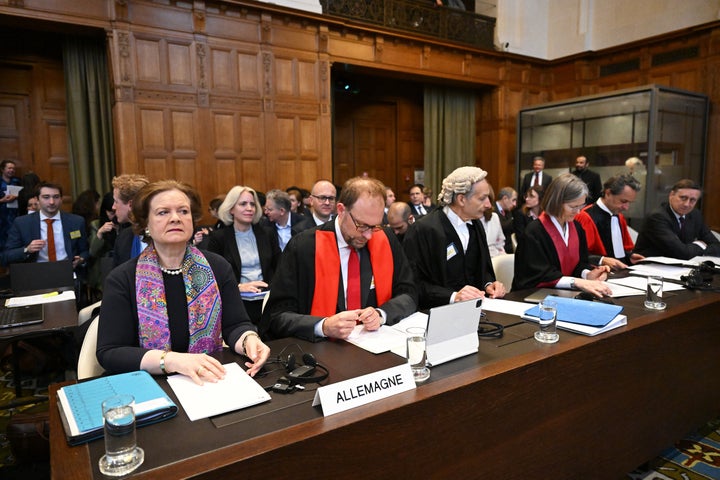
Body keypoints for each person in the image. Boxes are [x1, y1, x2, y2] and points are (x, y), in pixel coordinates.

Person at [96, 180, 270, 383]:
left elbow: (236, 324)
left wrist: (249, 339)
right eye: (163, 212)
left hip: (208, 379)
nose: (176, 218)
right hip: (148, 383)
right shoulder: (122, 278)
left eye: (183, 211)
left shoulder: (217, 266)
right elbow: (110, 352)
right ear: (145, 224)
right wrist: (171, 361)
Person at [261, 176, 417, 342]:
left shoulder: (385, 239)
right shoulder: (303, 247)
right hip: (322, 352)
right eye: (362, 225)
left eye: (374, 226)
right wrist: (323, 326)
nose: (369, 235)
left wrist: (382, 314)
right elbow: (276, 317)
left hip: (376, 347)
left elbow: (409, 293)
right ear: (341, 210)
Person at [403, 166, 506, 309]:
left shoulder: (476, 225)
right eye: (482, 198)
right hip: (436, 312)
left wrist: (489, 285)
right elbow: (413, 283)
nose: (489, 204)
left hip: (477, 310)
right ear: (461, 199)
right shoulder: (423, 230)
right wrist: (453, 296)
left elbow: (482, 268)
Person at [513, 173, 611, 296]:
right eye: (573, 206)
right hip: (533, 297)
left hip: (566, 295)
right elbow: (537, 275)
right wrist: (577, 282)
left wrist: (587, 274)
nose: (578, 211)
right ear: (556, 202)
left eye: (581, 206)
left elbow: (579, 263)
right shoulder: (534, 232)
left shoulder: (576, 227)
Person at [207, 186, 280, 325]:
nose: (249, 208)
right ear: (231, 209)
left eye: (252, 204)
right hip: (236, 302)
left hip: (266, 300)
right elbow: (213, 275)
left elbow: (279, 266)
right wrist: (239, 286)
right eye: (243, 204)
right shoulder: (219, 237)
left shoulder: (267, 233)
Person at [3, 182, 89, 268]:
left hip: (67, 271)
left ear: (61, 199)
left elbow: (85, 251)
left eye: (56, 197)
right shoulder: (22, 223)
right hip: (36, 273)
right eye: (46, 197)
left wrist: (81, 259)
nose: (52, 202)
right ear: (37, 199)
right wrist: (27, 250)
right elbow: (7, 255)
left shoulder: (76, 221)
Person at [634, 179, 720, 260]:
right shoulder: (657, 217)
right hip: (650, 267)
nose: (687, 204)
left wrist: (690, 250)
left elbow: (716, 246)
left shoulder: (695, 215)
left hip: (680, 267)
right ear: (671, 195)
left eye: (692, 200)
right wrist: (700, 244)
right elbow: (682, 253)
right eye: (683, 198)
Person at [575, 175, 644, 270]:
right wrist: (601, 260)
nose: (626, 207)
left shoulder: (619, 217)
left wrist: (629, 256)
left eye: (629, 203)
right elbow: (578, 256)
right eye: (623, 201)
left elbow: (619, 249)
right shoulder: (585, 216)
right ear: (608, 193)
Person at [112, 174, 150, 267]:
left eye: (116, 201)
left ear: (130, 205)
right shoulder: (123, 238)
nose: (113, 207)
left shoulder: (164, 236)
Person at [0, 160, 21, 248]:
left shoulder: (17, 181)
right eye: (9, 168)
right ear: (2, 169)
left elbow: (24, 196)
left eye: (13, 168)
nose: (12, 170)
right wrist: (2, 200)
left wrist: (16, 196)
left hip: (14, 216)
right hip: (1, 217)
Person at [481, 185, 506, 257]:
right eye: (482, 199)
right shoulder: (469, 219)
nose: (488, 205)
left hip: (496, 258)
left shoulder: (494, 217)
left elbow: (500, 243)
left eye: (489, 199)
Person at [495, 186, 517, 253]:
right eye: (513, 200)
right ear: (505, 198)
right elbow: (501, 227)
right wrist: (514, 219)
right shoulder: (491, 211)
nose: (515, 204)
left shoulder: (508, 211)